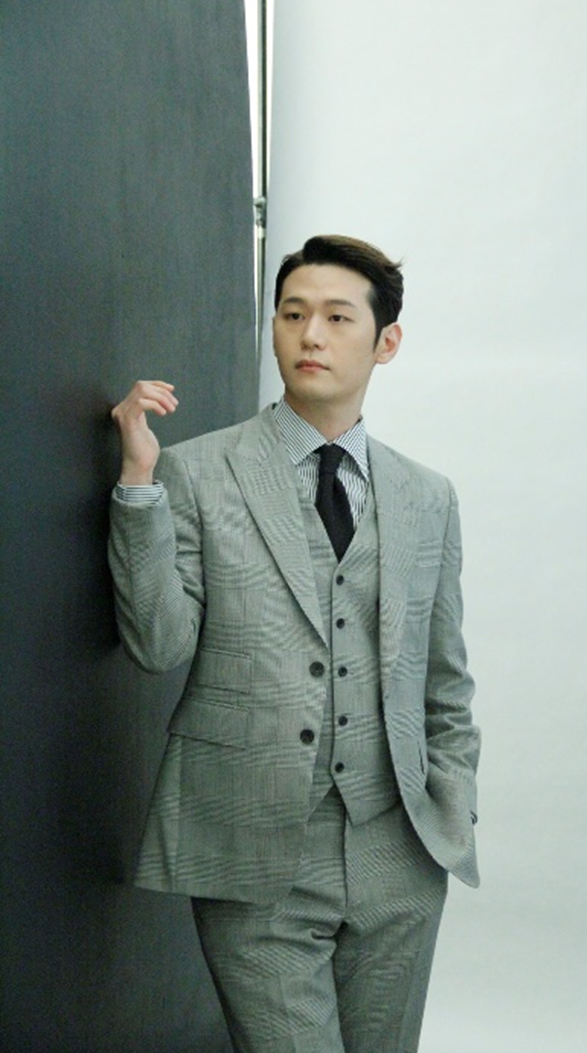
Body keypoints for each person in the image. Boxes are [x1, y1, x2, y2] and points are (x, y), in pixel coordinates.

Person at [109, 234, 480, 1053]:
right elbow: (157, 644)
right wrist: (138, 485)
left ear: (385, 342)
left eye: (337, 317)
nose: (310, 333)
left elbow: (444, 680)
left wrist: (451, 807)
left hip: (398, 854)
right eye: (291, 313)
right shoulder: (196, 471)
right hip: (249, 848)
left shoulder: (427, 496)